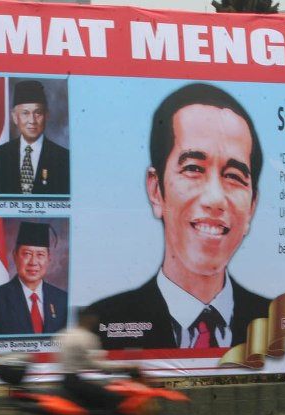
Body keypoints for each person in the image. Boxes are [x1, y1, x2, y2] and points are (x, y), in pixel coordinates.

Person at [87, 83, 271, 349]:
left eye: (233, 176)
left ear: (252, 205)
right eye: (193, 168)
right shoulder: (104, 325)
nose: (215, 198)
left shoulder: (278, 327)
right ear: (156, 189)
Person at [56, 307, 125, 415]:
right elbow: (95, 362)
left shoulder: (64, 334)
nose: (95, 320)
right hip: (75, 382)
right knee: (113, 398)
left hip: (66, 380)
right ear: (87, 319)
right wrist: (121, 367)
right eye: (93, 317)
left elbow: (82, 360)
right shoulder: (87, 337)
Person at [0, 221, 69, 336]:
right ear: (15, 256)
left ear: (48, 259)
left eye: (40, 255)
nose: (33, 262)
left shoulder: (62, 299)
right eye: (27, 254)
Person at [0, 80, 70, 195]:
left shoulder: (64, 158)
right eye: (25, 113)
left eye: (38, 113)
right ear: (15, 117)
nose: (32, 121)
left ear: (46, 116)